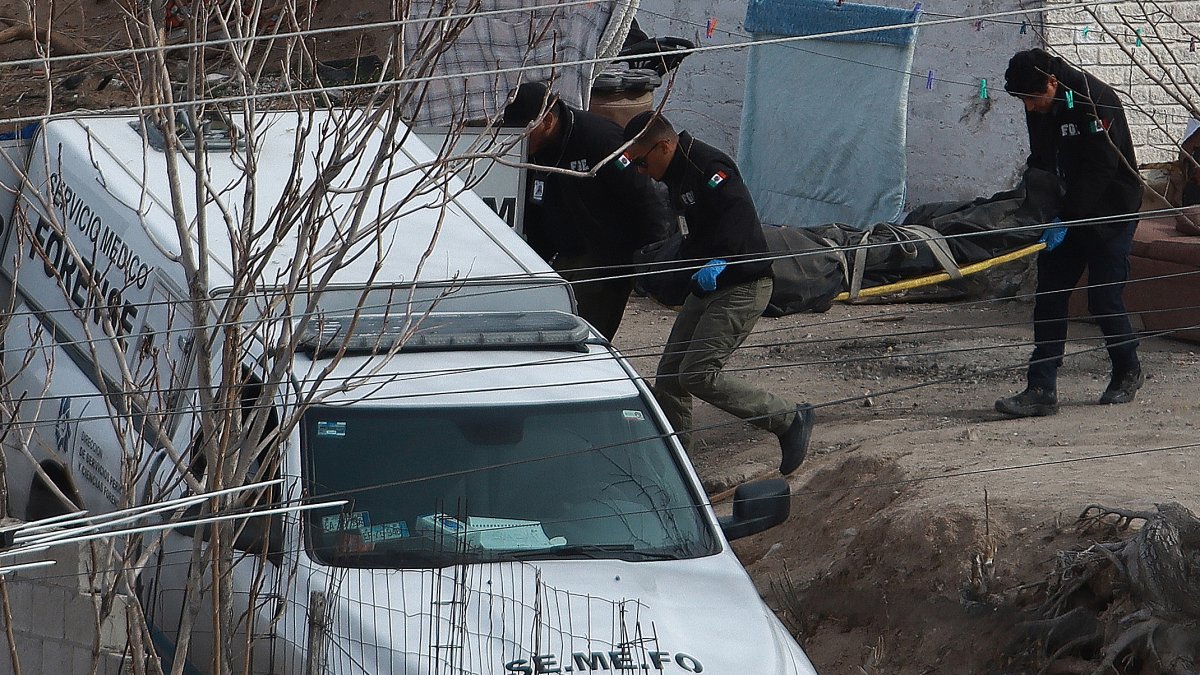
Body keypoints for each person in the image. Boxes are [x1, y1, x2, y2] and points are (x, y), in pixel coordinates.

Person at [621, 110, 814, 475]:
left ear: (663, 146)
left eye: (643, 162)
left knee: (698, 373)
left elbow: (740, 224)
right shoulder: (676, 175)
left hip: (742, 283)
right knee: (670, 377)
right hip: (708, 283)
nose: (642, 172)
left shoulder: (708, 165)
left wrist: (721, 263)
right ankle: (678, 470)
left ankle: (788, 420)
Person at [995, 48, 1145, 418]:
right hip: (1067, 210)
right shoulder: (1039, 103)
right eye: (1023, 102)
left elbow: (1102, 165)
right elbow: (1043, 158)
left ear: (1051, 82)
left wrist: (1070, 217)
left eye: (1033, 99)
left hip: (1110, 213)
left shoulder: (1094, 101)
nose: (1030, 108)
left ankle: (1128, 369)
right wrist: (1035, 203)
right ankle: (1041, 387)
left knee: (1103, 299)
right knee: (1049, 295)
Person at [503, 82, 668, 340]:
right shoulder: (533, 151)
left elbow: (646, 197)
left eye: (524, 130)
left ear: (547, 121)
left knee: (583, 337)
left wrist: (652, 261)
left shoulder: (599, 139)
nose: (517, 138)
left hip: (606, 255)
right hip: (564, 252)